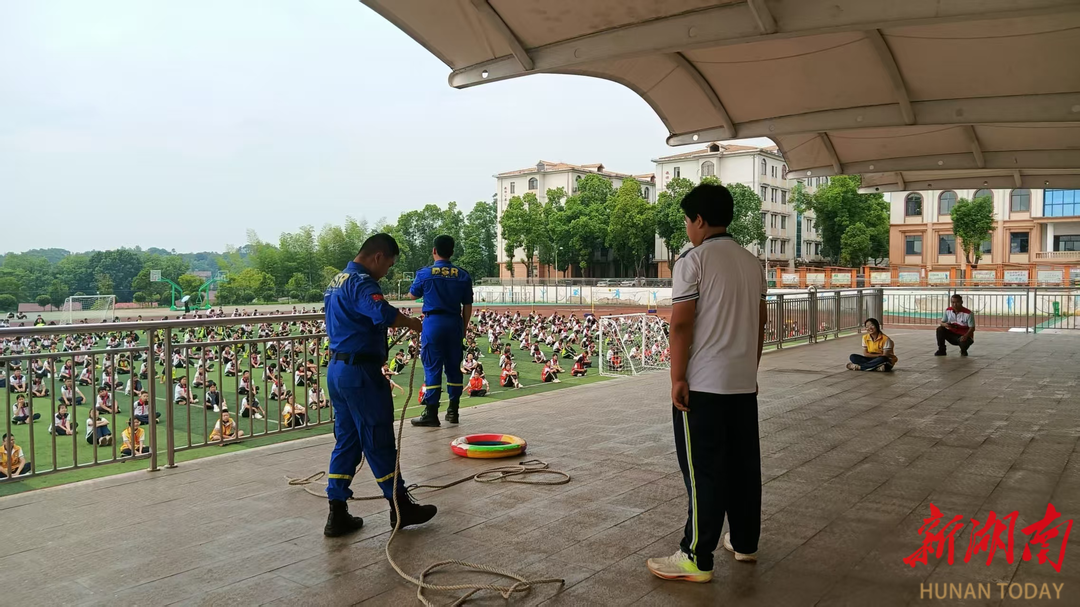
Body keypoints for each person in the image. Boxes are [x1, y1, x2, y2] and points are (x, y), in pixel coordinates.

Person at [647, 183, 766, 583]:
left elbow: (681, 324)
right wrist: (750, 371)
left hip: (703, 386)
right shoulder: (752, 263)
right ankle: (745, 542)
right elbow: (761, 324)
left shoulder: (692, 261)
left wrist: (677, 377)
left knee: (704, 473)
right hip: (741, 384)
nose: (687, 228)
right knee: (744, 467)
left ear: (698, 220)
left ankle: (695, 556)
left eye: (687, 220)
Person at [322, 233, 436, 537]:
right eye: (388, 265)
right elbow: (381, 312)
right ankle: (400, 505)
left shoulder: (336, 281)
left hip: (337, 369)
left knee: (347, 440)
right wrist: (411, 323)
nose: (386, 272)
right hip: (360, 372)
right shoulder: (361, 282)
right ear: (378, 257)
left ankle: (337, 512)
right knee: (378, 438)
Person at [408, 235, 473, 427]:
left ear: (434, 251)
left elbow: (412, 295)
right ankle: (453, 411)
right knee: (453, 368)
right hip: (454, 323)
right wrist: (463, 328)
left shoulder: (425, 273)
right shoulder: (463, 275)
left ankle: (431, 413)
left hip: (433, 323)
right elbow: (467, 305)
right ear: (452, 252)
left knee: (432, 367)